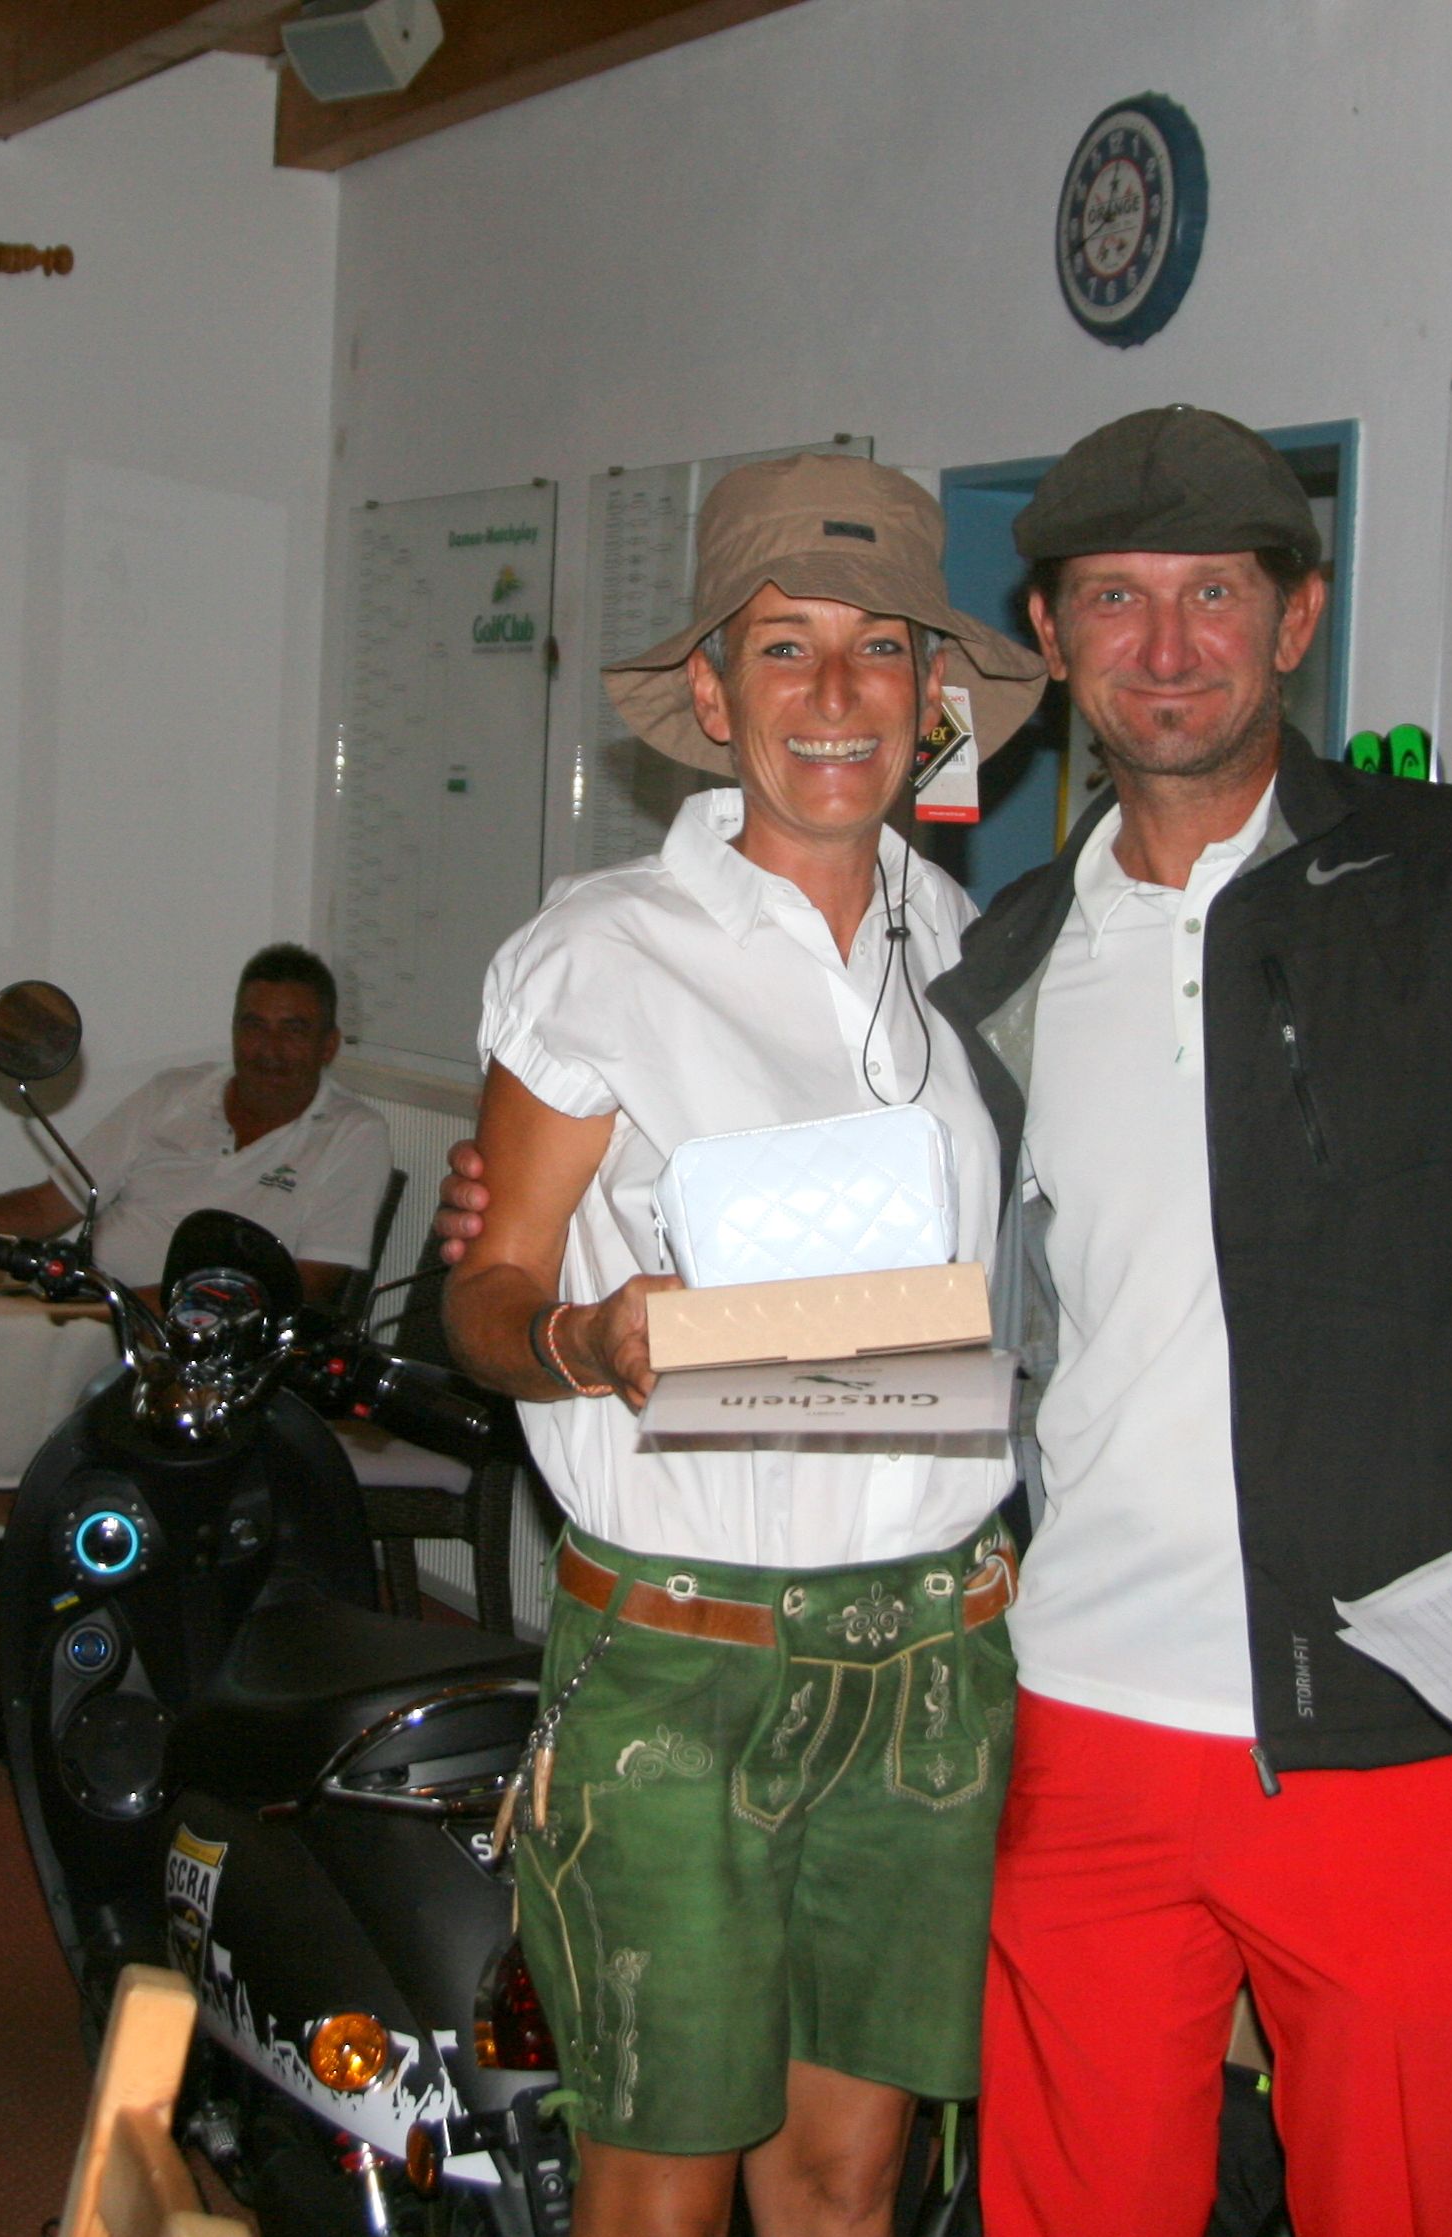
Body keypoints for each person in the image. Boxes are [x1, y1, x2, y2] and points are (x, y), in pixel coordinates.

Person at [437, 407, 1452, 2237]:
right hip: (1064, 1715)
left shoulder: (1448, 888)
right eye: (1116, 600)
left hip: (1384, 1721)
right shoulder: (1010, 952)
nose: (1166, 644)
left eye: (1213, 592)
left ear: (1296, 618)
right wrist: (551, 1301)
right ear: (1051, 643)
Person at [440, 453, 1045, 2237]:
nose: (836, 691)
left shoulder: (975, 953)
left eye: (881, 648)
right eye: (785, 646)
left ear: (934, 698)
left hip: (929, 1654)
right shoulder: (600, 953)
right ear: (713, 696)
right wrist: (588, 1337)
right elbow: (484, 1296)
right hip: (682, 1662)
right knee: (661, 2182)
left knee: (849, 2181)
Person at [0, 943, 390, 1311]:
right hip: (90, 1315)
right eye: (253, 1025)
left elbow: (308, 1287)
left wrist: (112, 1310)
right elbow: (45, 1207)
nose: (268, 1049)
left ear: (328, 1046)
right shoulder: (174, 1093)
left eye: (293, 1030)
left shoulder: (353, 1134)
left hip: (202, 1353)